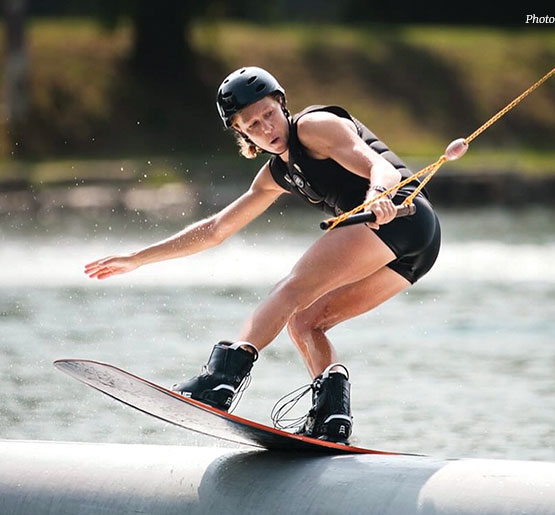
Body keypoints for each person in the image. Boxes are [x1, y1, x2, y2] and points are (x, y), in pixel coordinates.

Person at [84, 66, 453, 443]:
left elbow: (378, 165)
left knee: (291, 290)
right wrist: (138, 258)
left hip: (402, 216)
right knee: (307, 321)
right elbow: (215, 230)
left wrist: (378, 194)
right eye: (252, 125)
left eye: (269, 115)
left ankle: (220, 381)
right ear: (241, 133)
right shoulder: (276, 174)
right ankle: (332, 417)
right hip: (419, 250)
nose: (266, 129)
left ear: (282, 104)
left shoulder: (315, 126)